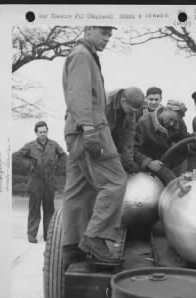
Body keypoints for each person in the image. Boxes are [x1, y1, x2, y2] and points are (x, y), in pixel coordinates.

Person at [62, 26, 127, 264]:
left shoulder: (83, 54)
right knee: (115, 181)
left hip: (75, 130)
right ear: (88, 29)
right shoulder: (82, 55)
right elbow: (79, 95)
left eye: (110, 34)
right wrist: (90, 131)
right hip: (89, 129)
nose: (107, 38)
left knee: (78, 189)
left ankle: (71, 245)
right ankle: (96, 236)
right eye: (103, 32)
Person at [15, 121, 65, 243]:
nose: (43, 134)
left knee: (49, 209)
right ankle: (32, 235)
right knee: (34, 209)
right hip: (35, 181)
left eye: (45, 131)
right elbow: (17, 156)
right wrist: (29, 165)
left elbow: (63, 156)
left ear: (47, 131)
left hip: (49, 182)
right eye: (40, 132)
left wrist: (57, 167)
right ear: (36, 133)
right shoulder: (30, 146)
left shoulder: (54, 145)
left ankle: (49, 235)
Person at [134, 100, 196, 181]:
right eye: (170, 119)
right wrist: (148, 162)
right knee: (170, 178)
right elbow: (133, 149)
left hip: (170, 161)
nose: (172, 124)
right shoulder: (144, 124)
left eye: (175, 121)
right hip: (154, 164)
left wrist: (193, 141)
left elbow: (183, 138)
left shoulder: (179, 122)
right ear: (165, 110)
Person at [106, 87, 145, 173]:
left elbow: (129, 136)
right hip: (94, 142)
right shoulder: (105, 103)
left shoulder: (131, 111)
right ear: (123, 100)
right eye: (131, 110)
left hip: (112, 142)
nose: (132, 114)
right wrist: (115, 157)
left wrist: (128, 161)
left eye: (135, 112)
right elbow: (102, 135)